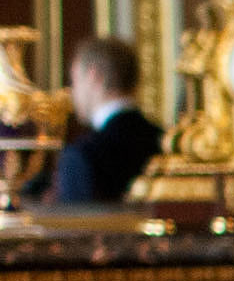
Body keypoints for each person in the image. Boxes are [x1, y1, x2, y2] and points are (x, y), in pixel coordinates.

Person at [52, 36, 163, 202]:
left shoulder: (83, 156)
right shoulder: (166, 143)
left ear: (94, 77)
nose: (72, 93)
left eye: (74, 82)